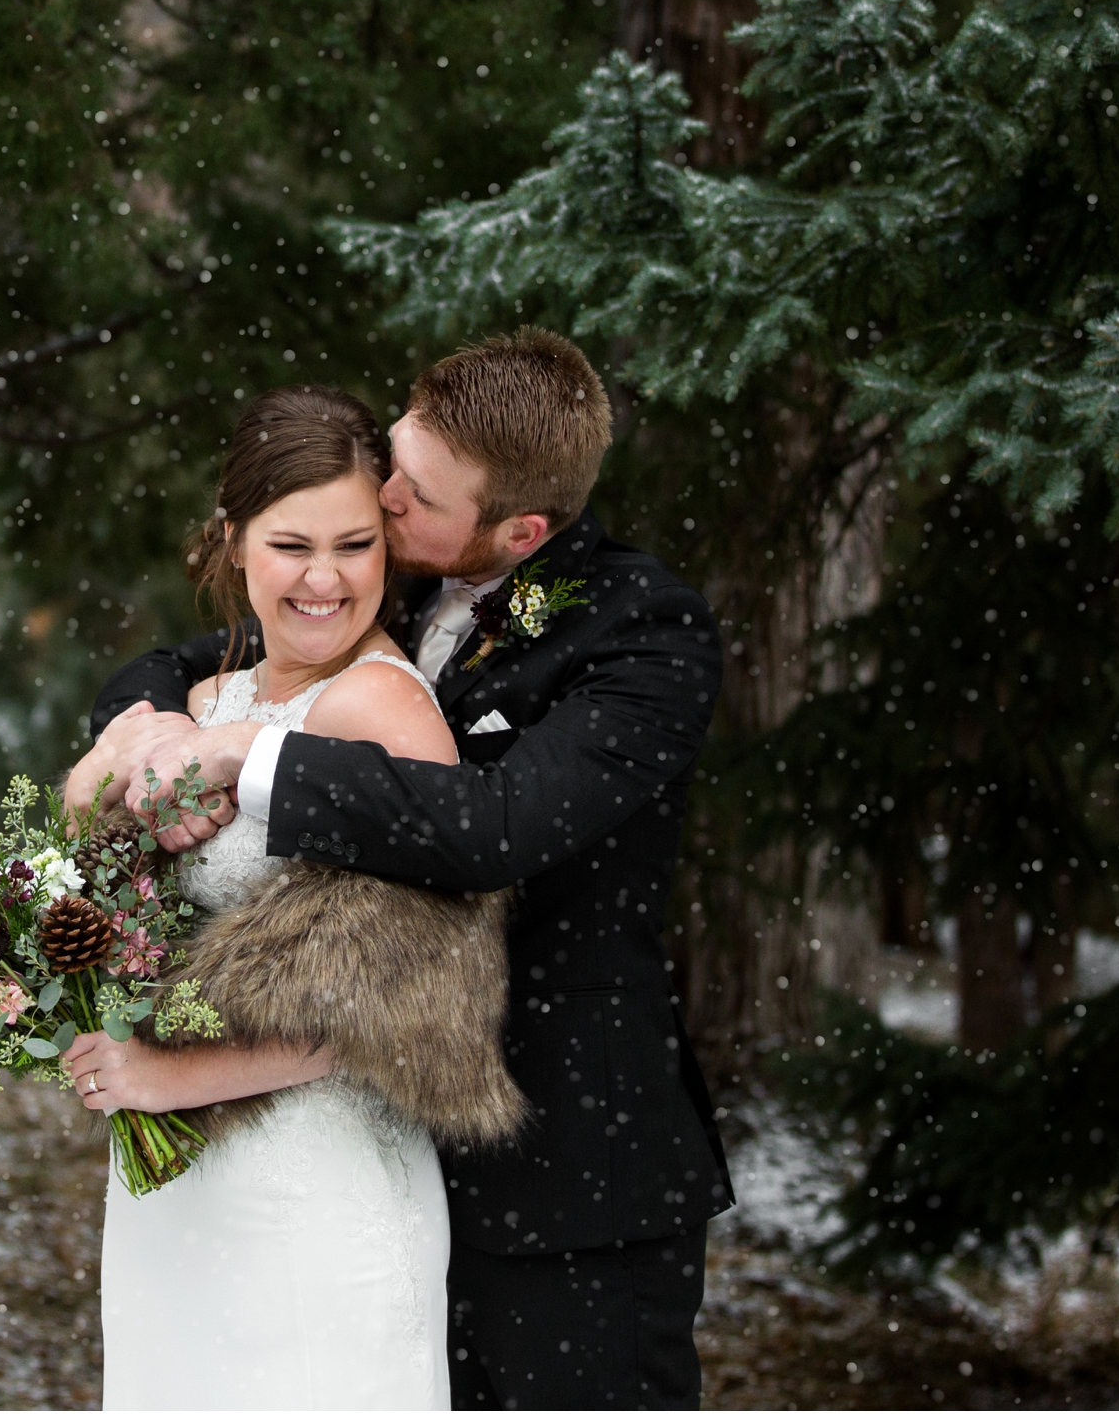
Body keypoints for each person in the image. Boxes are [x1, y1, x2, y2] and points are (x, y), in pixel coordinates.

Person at [79, 329, 733, 1410]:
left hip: (567, 1172)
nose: (380, 499)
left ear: (519, 528)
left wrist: (248, 759)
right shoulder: (401, 579)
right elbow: (187, 665)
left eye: (414, 495)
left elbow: (496, 825)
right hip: (379, 1134)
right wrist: (134, 733)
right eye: (392, 457)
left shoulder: (641, 634)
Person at [57, 385, 471, 1410]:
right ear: (232, 540)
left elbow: (390, 1002)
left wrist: (164, 1076)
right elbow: (91, 869)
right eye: (292, 544)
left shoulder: (379, 707)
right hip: (181, 1197)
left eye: (357, 543)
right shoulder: (209, 702)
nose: (326, 578)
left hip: (312, 1187)